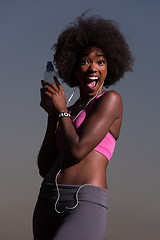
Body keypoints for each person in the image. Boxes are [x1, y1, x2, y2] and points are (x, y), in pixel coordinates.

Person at [33, 13, 133, 240]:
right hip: (47, 200)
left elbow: (78, 150)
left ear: (109, 67)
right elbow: (45, 167)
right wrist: (53, 116)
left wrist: (62, 112)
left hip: (83, 202)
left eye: (100, 61)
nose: (93, 68)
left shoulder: (110, 101)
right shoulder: (71, 107)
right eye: (85, 61)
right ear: (72, 68)